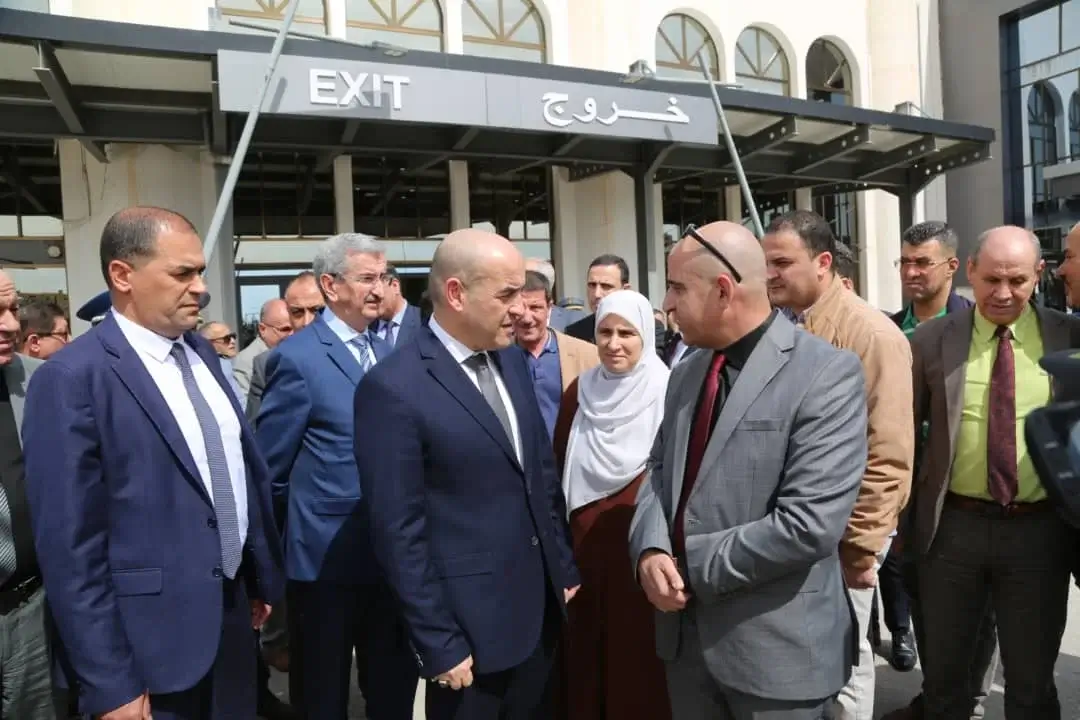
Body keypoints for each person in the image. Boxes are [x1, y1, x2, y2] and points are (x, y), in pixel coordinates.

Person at [23, 206, 283, 720]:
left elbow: (232, 473)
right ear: (122, 275)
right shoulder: (74, 379)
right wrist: (109, 680)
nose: (201, 288)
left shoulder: (204, 356)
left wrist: (255, 574)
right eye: (182, 273)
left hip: (230, 624)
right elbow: (70, 548)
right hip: (147, 654)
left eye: (201, 271)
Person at [629, 221, 867, 720]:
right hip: (687, 652)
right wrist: (650, 547)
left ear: (722, 291)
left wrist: (686, 560)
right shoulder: (688, 373)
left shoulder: (826, 374)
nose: (666, 304)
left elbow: (809, 524)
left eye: (676, 288)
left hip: (776, 660)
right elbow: (658, 469)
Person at [355, 228, 580, 720]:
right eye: (506, 294)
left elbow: (539, 476)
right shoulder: (393, 388)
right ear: (456, 293)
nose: (521, 309)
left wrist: (561, 569)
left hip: (539, 618)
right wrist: (437, 641)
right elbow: (398, 531)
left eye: (523, 292)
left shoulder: (511, 360)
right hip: (468, 638)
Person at [909, 226, 1080, 720]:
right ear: (970, 272)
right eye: (991, 280)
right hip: (952, 532)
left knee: (1030, 686)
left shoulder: (1069, 337)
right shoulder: (932, 340)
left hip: (1039, 533)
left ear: (1039, 275)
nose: (1003, 293)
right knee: (945, 681)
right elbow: (903, 437)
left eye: (1018, 280)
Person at [255, 234, 417, 719]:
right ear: (330, 285)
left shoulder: (395, 352)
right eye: (366, 278)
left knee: (393, 690)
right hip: (324, 565)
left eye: (384, 278)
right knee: (323, 695)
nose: (379, 289)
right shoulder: (298, 358)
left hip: (390, 560)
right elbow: (272, 470)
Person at [553, 289, 671, 720]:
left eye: (626, 333)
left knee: (636, 652)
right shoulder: (579, 392)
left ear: (645, 337)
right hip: (585, 544)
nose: (613, 343)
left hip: (641, 543)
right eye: (605, 331)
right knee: (586, 649)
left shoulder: (668, 391)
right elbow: (558, 460)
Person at [233, 298, 292, 403]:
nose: (292, 334)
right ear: (262, 329)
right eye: (285, 329)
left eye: (295, 328)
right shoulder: (246, 361)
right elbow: (246, 408)